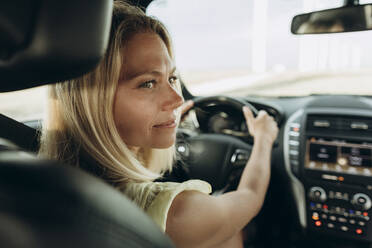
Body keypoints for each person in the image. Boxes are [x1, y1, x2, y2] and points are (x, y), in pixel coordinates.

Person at [38, 1, 278, 247]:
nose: (177, 99)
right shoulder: (177, 214)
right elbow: (250, 197)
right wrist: (263, 139)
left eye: (172, 78)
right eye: (148, 83)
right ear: (94, 102)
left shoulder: (42, 186)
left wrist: (167, 120)